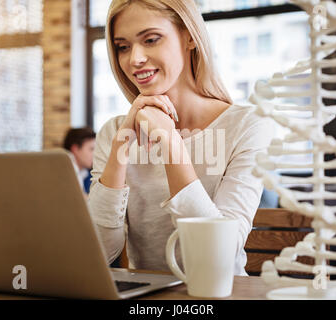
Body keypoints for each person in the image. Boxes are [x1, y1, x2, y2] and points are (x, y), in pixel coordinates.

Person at [88, 0, 274, 276]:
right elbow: (98, 255)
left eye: (150, 39)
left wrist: (171, 143)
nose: (134, 58)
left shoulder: (248, 126)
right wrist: (121, 145)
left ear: (189, 36)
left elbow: (215, 257)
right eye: (122, 47)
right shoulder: (113, 133)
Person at [63, 127, 96, 194]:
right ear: (75, 149)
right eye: (92, 149)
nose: (95, 154)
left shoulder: (90, 174)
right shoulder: (61, 176)